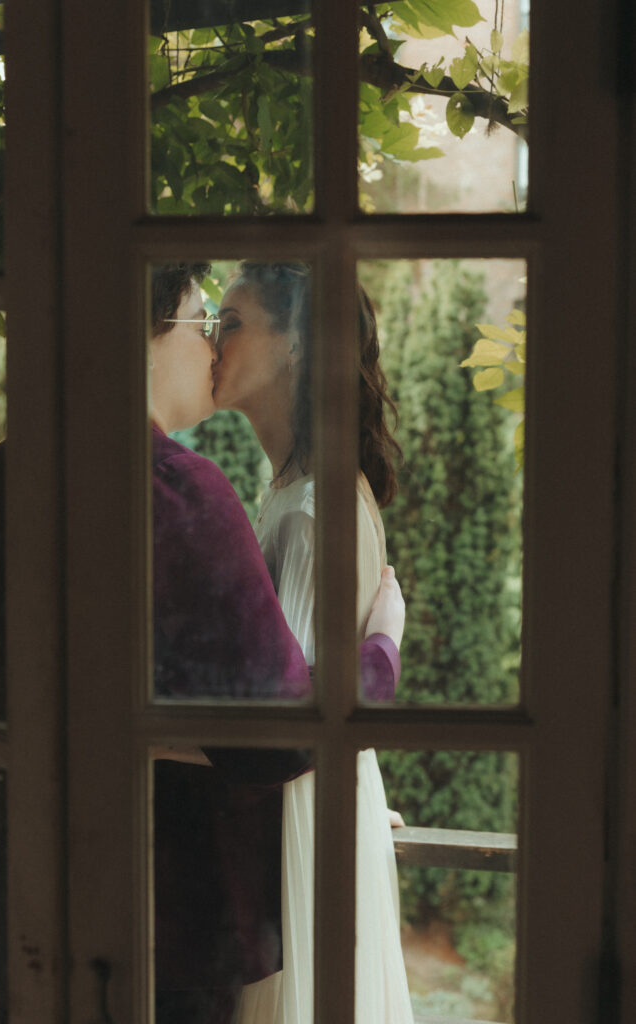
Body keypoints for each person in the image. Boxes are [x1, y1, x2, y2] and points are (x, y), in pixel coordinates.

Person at [0, 263, 405, 1024]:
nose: (213, 350)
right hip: (159, 928)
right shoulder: (178, 493)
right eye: (204, 325)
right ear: (149, 336)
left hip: (1, 902)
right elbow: (273, 736)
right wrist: (383, 649)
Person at [214, 262, 414, 1023]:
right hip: (321, 808)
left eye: (231, 323)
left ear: (295, 342)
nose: (211, 343)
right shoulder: (293, 490)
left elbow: (288, 723)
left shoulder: (306, 508)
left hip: (295, 834)